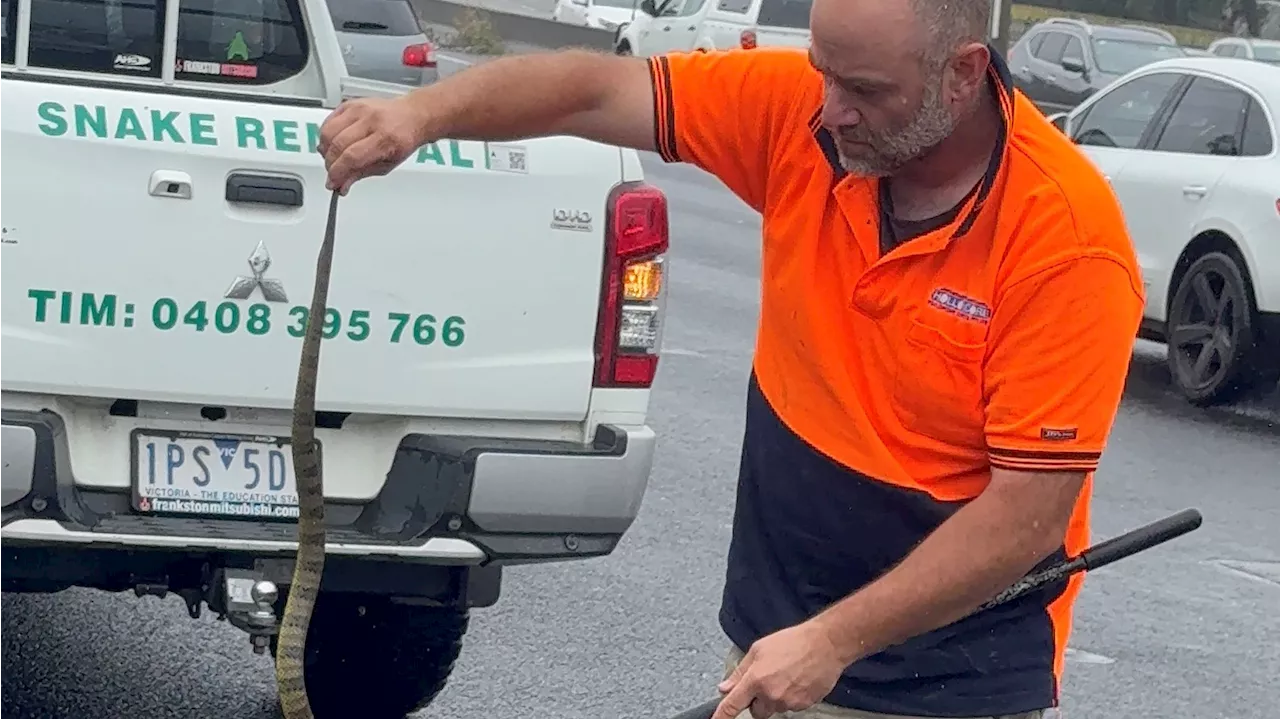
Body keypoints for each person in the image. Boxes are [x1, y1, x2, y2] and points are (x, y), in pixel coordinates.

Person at [317, 0, 1145, 715]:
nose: (833, 110)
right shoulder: (802, 118)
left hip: (940, 687)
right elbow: (598, 88)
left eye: (865, 90)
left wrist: (833, 638)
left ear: (963, 73)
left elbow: (1027, 515)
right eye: (824, 71)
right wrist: (422, 116)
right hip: (779, 653)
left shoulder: (1063, 241)